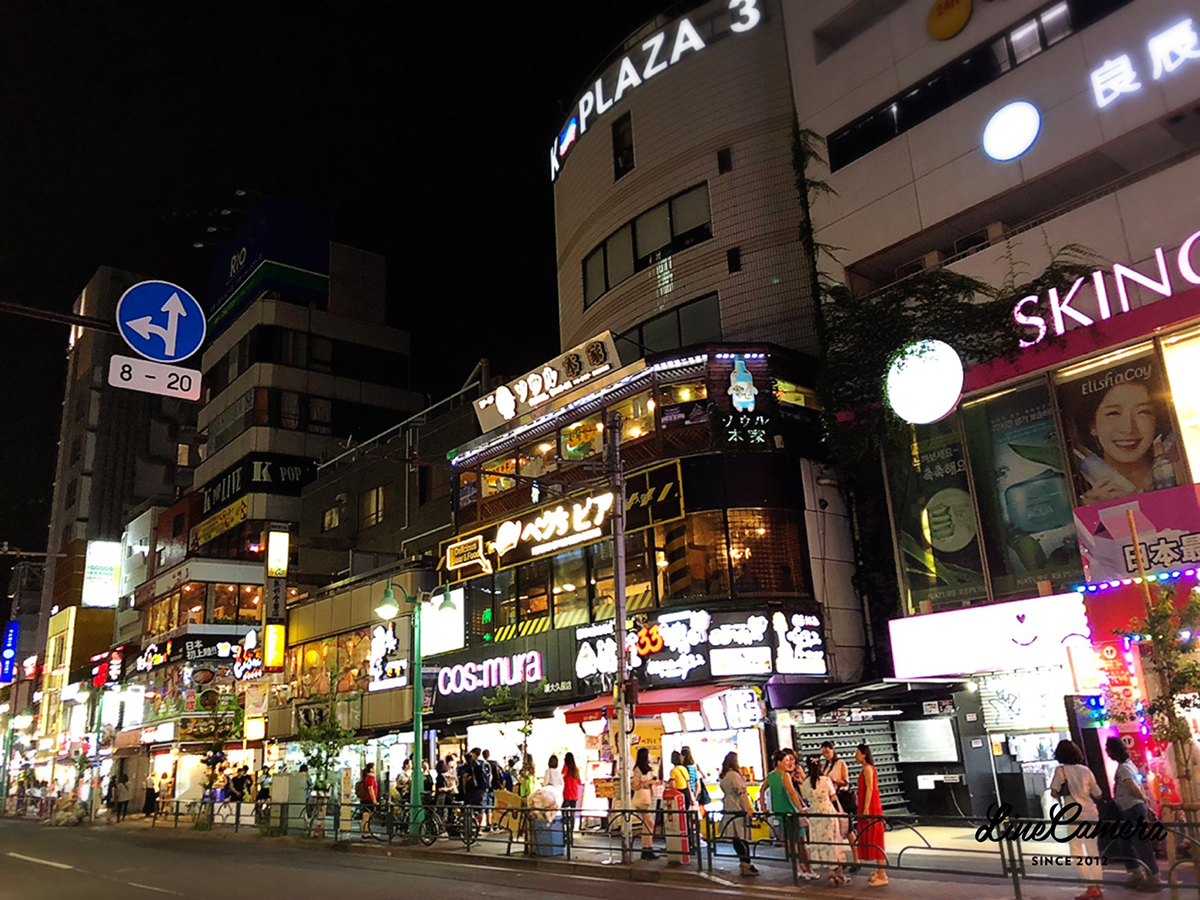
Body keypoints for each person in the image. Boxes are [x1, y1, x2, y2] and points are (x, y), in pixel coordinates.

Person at [1075, 378, 1170, 504]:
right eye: (1113, 413)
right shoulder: (1082, 490)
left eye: (1142, 412)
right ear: (1093, 425)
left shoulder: (1177, 467)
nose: (1128, 428)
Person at [1050, 739, 1104, 900]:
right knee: (1093, 850)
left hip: (1074, 815)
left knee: (1077, 850)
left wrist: (1063, 793)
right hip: (1091, 813)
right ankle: (1098, 886)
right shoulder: (1086, 770)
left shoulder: (1061, 771)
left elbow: (1053, 792)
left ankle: (1091, 886)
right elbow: (1098, 794)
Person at [1106, 736, 1161, 888]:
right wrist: (1145, 802)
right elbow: (1137, 784)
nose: (1107, 752)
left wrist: (1143, 799)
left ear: (1112, 751)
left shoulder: (1124, 768)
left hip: (1132, 809)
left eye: (1108, 749)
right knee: (1126, 842)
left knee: (1140, 843)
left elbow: (1131, 786)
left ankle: (1153, 876)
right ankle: (1137, 872)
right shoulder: (1129, 765)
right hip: (1132, 808)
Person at [764, 749, 816, 879]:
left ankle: (798, 867)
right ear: (779, 762)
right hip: (791, 811)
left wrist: (763, 807)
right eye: (786, 760)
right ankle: (807, 868)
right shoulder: (784, 775)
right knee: (801, 841)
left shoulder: (770, 775)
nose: (789, 763)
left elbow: (761, 791)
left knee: (790, 842)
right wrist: (800, 808)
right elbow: (792, 793)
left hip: (780, 812)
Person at [801, 757, 847, 885]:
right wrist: (839, 811)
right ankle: (841, 874)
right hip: (828, 812)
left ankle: (831, 874)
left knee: (823, 843)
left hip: (815, 814)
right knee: (834, 841)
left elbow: (805, 797)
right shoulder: (826, 780)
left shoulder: (805, 783)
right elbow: (833, 797)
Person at [718, 752, 759, 877]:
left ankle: (743, 863)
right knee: (743, 838)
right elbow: (742, 793)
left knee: (736, 838)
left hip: (728, 808)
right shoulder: (735, 776)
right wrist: (749, 808)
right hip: (738, 809)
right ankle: (747, 863)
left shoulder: (724, 776)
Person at [821, 741, 858, 871]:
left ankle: (856, 859)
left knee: (848, 830)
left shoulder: (840, 763)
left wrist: (833, 781)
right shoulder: (826, 766)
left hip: (841, 799)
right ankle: (841, 860)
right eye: (823, 753)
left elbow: (846, 782)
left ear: (833, 750)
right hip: (831, 800)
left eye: (827, 752)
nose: (825, 755)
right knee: (836, 831)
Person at [855, 744, 888, 887]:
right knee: (873, 838)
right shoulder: (866, 769)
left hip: (870, 806)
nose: (855, 756)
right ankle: (880, 871)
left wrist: (866, 808)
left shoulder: (868, 769)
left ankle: (882, 873)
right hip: (868, 805)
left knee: (875, 839)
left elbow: (870, 788)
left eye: (857, 753)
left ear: (863, 754)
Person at [631, 747, 659, 860]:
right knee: (649, 823)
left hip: (648, 797)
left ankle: (647, 848)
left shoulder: (647, 768)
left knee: (647, 824)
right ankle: (647, 849)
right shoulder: (638, 769)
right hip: (643, 798)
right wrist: (647, 782)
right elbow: (635, 785)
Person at [562, 752, 582, 835]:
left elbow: (561, 777)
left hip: (567, 793)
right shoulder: (576, 769)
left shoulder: (565, 768)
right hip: (574, 794)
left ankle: (565, 828)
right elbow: (579, 781)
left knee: (564, 811)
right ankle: (571, 831)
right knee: (573, 812)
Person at [358, 762, 378, 835]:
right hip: (368, 800)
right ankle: (365, 833)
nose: (375, 768)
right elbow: (371, 789)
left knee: (366, 817)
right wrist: (374, 800)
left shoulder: (367, 778)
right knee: (366, 817)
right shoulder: (370, 778)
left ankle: (366, 832)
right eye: (374, 767)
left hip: (366, 800)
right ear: (371, 769)